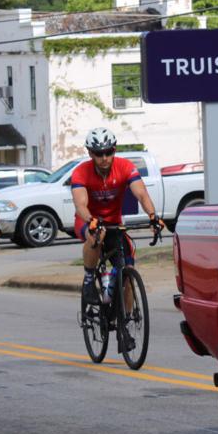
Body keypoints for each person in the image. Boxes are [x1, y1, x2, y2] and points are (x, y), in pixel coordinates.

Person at [70, 128, 164, 313]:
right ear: (90, 153)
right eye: (98, 153)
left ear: (114, 150)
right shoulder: (81, 172)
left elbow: (142, 194)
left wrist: (153, 217)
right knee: (95, 237)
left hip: (114, 222)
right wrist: (91, 220)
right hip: (88, 220)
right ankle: (89, 280)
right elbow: (80, 204)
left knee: (128, 272)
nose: (104, 157)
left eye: (108, 152)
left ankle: (127, 321)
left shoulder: (125, 167)